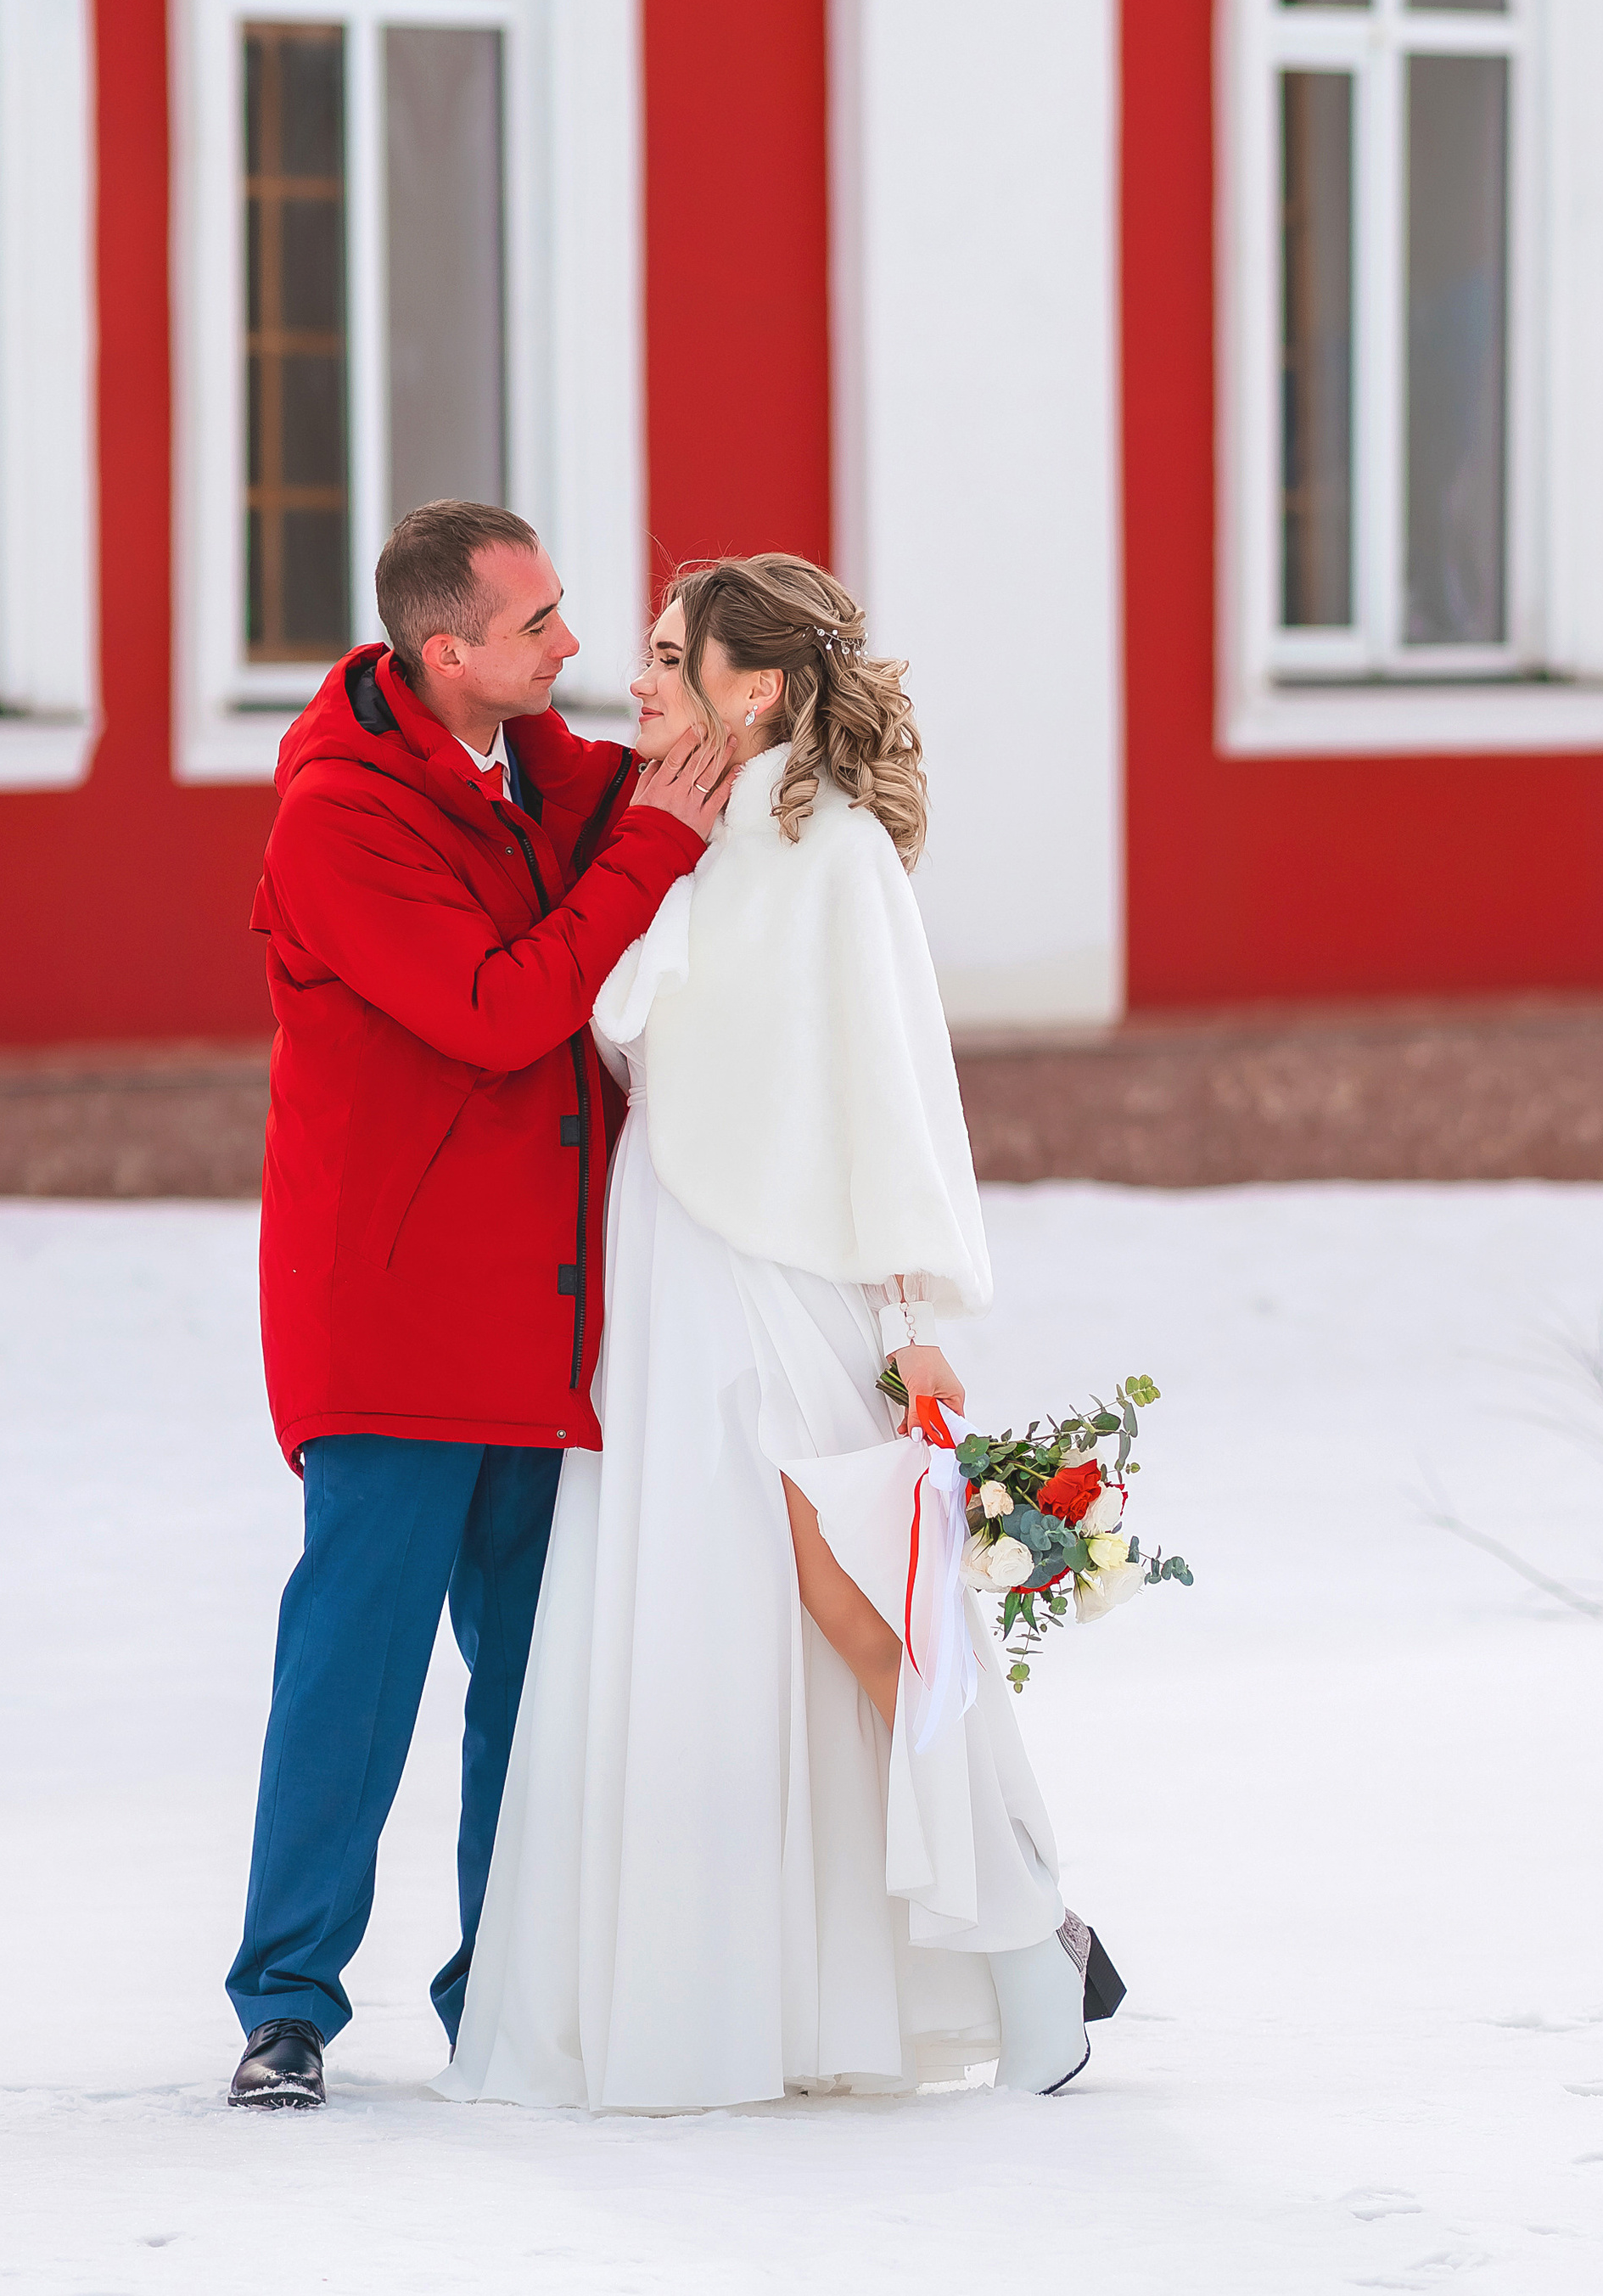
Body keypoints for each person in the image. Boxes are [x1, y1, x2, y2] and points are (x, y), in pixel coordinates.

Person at [438, 553, 1122, 2114]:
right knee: (695, 1623)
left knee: (868, 1619)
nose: (642, 679)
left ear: (759, 685)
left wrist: (913, 1316)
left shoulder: (840, 862)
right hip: (666, 1282)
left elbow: (894, 1095)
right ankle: (728, 1998)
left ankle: (1035, 1958)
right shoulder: (676, 844)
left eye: (675, 658)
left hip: (793, 1280)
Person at [226, 502, 731, 2110]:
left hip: (540, 1314)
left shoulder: (525, 761)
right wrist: (654, 847)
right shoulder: (339, 818)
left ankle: (495, 1990)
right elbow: (502, 1012)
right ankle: (288, 2001)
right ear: (449, 654)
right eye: (540, 628)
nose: (572, 649)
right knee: (354, 1681)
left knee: (535, 1674)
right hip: (391, 1325)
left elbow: (667, 782)